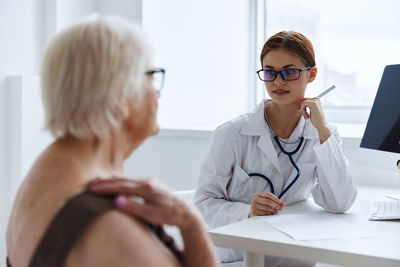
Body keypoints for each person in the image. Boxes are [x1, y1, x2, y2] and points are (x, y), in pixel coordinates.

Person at [6, 15, 218, 267]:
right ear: (120, 96)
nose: (157, 93)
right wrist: (192, 223)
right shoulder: (114, 231)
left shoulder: (43, 172)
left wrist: (187, 218)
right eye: (151, 76)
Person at [195, 31, 358, 266]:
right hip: (238, 255)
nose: (278, 82)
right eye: (270, 72)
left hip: (293, 253)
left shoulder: (321, 134)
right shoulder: (231, 134)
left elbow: (339, 203)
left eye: (290, 72)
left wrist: (322, 130)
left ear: (311, 74)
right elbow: (202, 204)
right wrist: (248, 212)